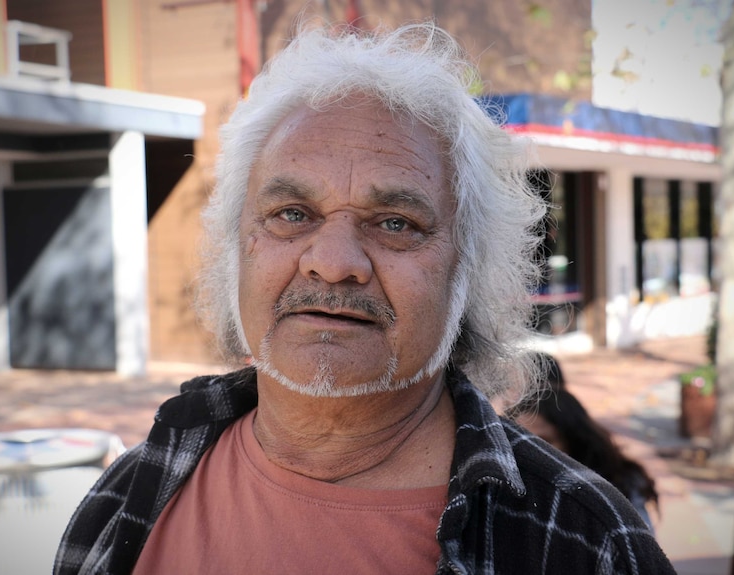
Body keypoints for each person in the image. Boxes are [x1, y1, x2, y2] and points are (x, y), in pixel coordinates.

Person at [54, 21, 676, 574]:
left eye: (396, 223)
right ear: (234, 249)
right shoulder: (125, 494)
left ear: (470, 270)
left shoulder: (586, 542)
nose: (333, 263)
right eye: (291, 213)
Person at [510, 353, 660, 529]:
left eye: (544, 441)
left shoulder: (618, 487)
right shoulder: (512, 487)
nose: (530, 450)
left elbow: (639, 548)